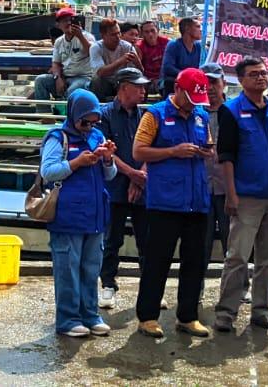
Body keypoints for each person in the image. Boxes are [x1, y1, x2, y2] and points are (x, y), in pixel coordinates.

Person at [132, 68, 214, 338]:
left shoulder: (201, 116)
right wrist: (173, 152)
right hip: (165, 202)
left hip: (196, 200)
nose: (193, 104)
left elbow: (209, 144)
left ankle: (188, 316)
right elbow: (138, 151)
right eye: (190, 98)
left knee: (195, 261)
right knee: (157, 261)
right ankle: (147, 317)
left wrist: (206, 151)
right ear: (177, 89)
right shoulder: (154, 115)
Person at [214, 56, 268, 333]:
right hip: (246, 196)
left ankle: (261, 311)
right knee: (238, 257)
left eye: (263, 73)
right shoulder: (231, 111)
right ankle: (226, 313)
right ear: (241, 80)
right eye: (254, 74)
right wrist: (231, 195)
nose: (261, 77)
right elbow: (226, 157)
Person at [41, 88, 118, 337]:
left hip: (95, 215)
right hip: (68, 216)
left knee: (91, 269)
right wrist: (76, 163)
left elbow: (110, 175)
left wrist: (107, 159)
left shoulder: (97, 135)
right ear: (75, 115)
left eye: (94, 122)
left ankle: (90, 314)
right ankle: (68, 319)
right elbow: (47, 171)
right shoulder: (58, 138)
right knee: (68, 270)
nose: (89, 127)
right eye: (85, 122)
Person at [96, 68, 150, 311]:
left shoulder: (146, 115)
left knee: (147, 240)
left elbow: (150, 146)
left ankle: (149, 288)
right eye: (138, 86)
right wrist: (132, 174)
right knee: (112, 239)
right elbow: (106, 151)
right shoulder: (105, 115)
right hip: (115, 186)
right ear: (123, 87)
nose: (143, 91)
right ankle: (108, 284)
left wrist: (140, 176)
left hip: (142, 186)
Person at [201, 64, 230, 263]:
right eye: (205, 83)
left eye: (214, 82)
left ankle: (236, 282)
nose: (210, 87)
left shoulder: (234, 112)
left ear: (223, 84)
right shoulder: (193, 112)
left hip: (229, 187)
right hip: (200, 188)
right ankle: (197, 281)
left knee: (233, 243)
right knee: (200, 244)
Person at [32, 8, 92, 102]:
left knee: (72, 90)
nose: (68, 23)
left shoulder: (87, 37)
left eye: (70, 20)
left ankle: (65, 110)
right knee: (40, 80)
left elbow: (92, 53)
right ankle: (43, 110)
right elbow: (56, 63)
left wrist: (80, 36)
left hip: (83, 77)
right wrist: (58, 78)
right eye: (64, 21)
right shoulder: (59, 42)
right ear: (58, 25)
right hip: (65, 76)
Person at [88, 19, 142, 101]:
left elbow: (139, 72)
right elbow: (100, 72)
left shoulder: (127, 46)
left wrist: (138, 63)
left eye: (118, 33)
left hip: (122, 82)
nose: (117, 37)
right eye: (113, 34)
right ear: (103, 36)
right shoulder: (96, 47)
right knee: (96, 80)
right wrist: (121, 61)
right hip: (105, 83)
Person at [160, 18, 203, 95]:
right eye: (197, 27)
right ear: (187, 29)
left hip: (193, 81)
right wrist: (188, 76)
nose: (201, 30)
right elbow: (168, 68)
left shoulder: (199, 46)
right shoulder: (173, 45)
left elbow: (203, 65)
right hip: (174, 82)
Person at [135, 20, 167, 88]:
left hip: (165, 77)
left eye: (153, 31)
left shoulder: (166, 42)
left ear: (158, 30)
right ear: (142, 34)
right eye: (146, 32)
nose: (150, 34)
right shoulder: (139, 47)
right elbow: (138, 69)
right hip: (148, 80)